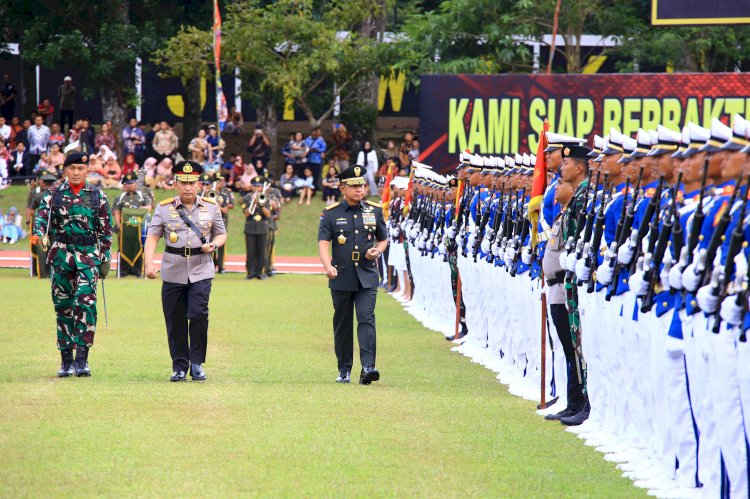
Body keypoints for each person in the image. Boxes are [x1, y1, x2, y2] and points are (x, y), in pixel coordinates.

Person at [31, 151, 112, 377]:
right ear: (65, 170)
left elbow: (106, 231)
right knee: (63, 306)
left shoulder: (98, 196)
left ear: (88, 171)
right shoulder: (53, 195)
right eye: (72, 168)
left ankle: (82, 360)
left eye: (81, 169)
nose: (76, 173)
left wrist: (104, 258)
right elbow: (40, 220)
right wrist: (39, 236)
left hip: (88, 257)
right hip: (62, 256)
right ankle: (66, 361)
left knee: (86, 304)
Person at [144, 160, 226, 382]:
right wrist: (148, 263)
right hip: (172, 269)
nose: (188, 187)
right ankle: (179, 365)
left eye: (192, 183)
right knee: (175, 318)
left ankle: (197, 363)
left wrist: (215, 245)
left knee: (198, 313)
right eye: (183, 182)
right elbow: (152, 236)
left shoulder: (211, 207)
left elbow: (221, 234)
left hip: (201, 268)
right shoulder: (163, 208)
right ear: (176, 184)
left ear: (199, 184)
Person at [317, 164, 388, 384]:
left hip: (367, 275)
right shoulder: (331, 213)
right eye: (354, 186)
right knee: (343, 322)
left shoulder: (374, 210)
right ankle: (344, 368)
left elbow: (383, 238)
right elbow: (323, 243)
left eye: (362, 185)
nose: (359, 190)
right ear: (342, 188)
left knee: (367, 319)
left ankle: (368, 367)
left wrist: (378, 250)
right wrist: (327, 266)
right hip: (341, 275)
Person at [112, 172, 152, 277]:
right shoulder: (120, 197)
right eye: (127, 183)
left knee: (138, 247)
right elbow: (116, 211)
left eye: (132, 183)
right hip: (124, 228)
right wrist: (118, 224)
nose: (130, 185)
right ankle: (124, 271)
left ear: (136, 183)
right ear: (124, 185)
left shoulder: (142, 196)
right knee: (123, 248)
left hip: (139, 229)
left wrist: (137, 210)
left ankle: (137, 270)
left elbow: (148, 207)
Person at [242, 176, 271, 280]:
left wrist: (261, 205)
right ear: (251, 187)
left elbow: (268, 215)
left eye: (259, 186)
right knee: (250, 252)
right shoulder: (246, 198)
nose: (257, 188)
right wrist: (253, 203)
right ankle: (250, 273)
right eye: (255, 186)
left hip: (262, 228)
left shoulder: (265, 197)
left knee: (262, 251)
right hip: (250, 227)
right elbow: (246, 214)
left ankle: (260, 273)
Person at [211, 171, 234, 273]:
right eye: (218, 181)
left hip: (222, 221)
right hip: (209, 222)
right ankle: (211, 265)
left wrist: (215, 205)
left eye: (221, 181)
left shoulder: (226, 192)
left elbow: (228, 208)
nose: (220, 182)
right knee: (210, 243)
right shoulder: (209, 192)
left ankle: (220, 265)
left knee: (221, 244)